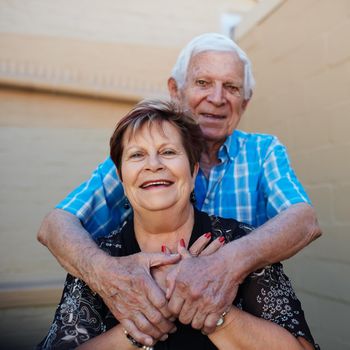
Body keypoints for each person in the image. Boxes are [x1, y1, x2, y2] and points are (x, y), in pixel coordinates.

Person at [37, 33, 321, 346]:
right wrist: (111, 277)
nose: (216, 97)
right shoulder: (143, 157)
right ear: (175, 90)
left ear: (245, 101)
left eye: (231, 87)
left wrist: (222, 265)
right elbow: (55, 226)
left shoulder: (263, 150)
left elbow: (304, 221)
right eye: (203, 82)